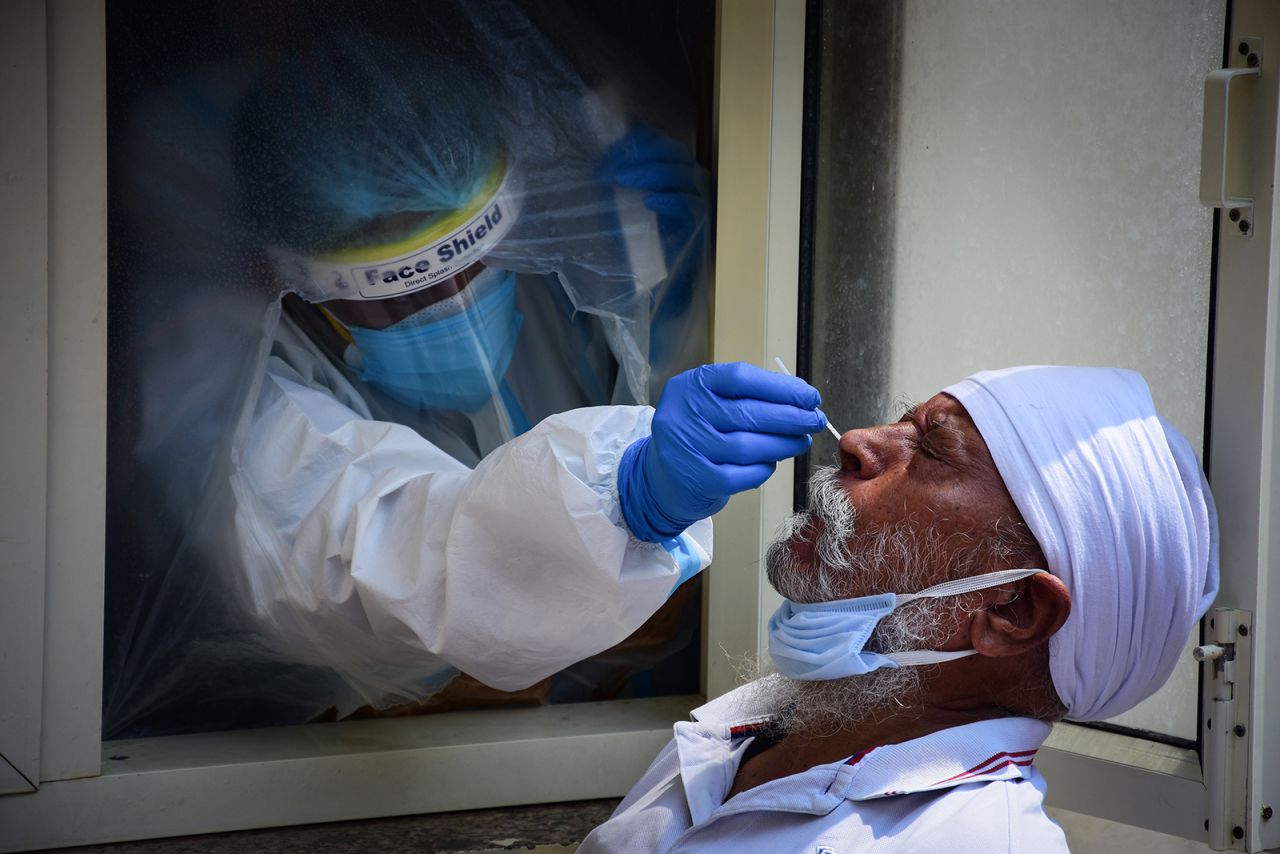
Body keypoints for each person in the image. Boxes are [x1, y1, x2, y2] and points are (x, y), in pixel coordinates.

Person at [215, 10, 830, 719]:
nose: (454, 305)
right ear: (287, 282)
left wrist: (684, 282)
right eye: (403, 294)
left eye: (473, 267)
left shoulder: (568, 271)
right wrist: (620, 501)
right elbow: (370, 557)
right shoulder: (248, 408)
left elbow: (671, 393)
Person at [580, 364, 1219, 853]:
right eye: (902, 424)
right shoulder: (764, 724)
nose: (857, 441)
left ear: (1012, 608)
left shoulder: (973, 842)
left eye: (933, 451)